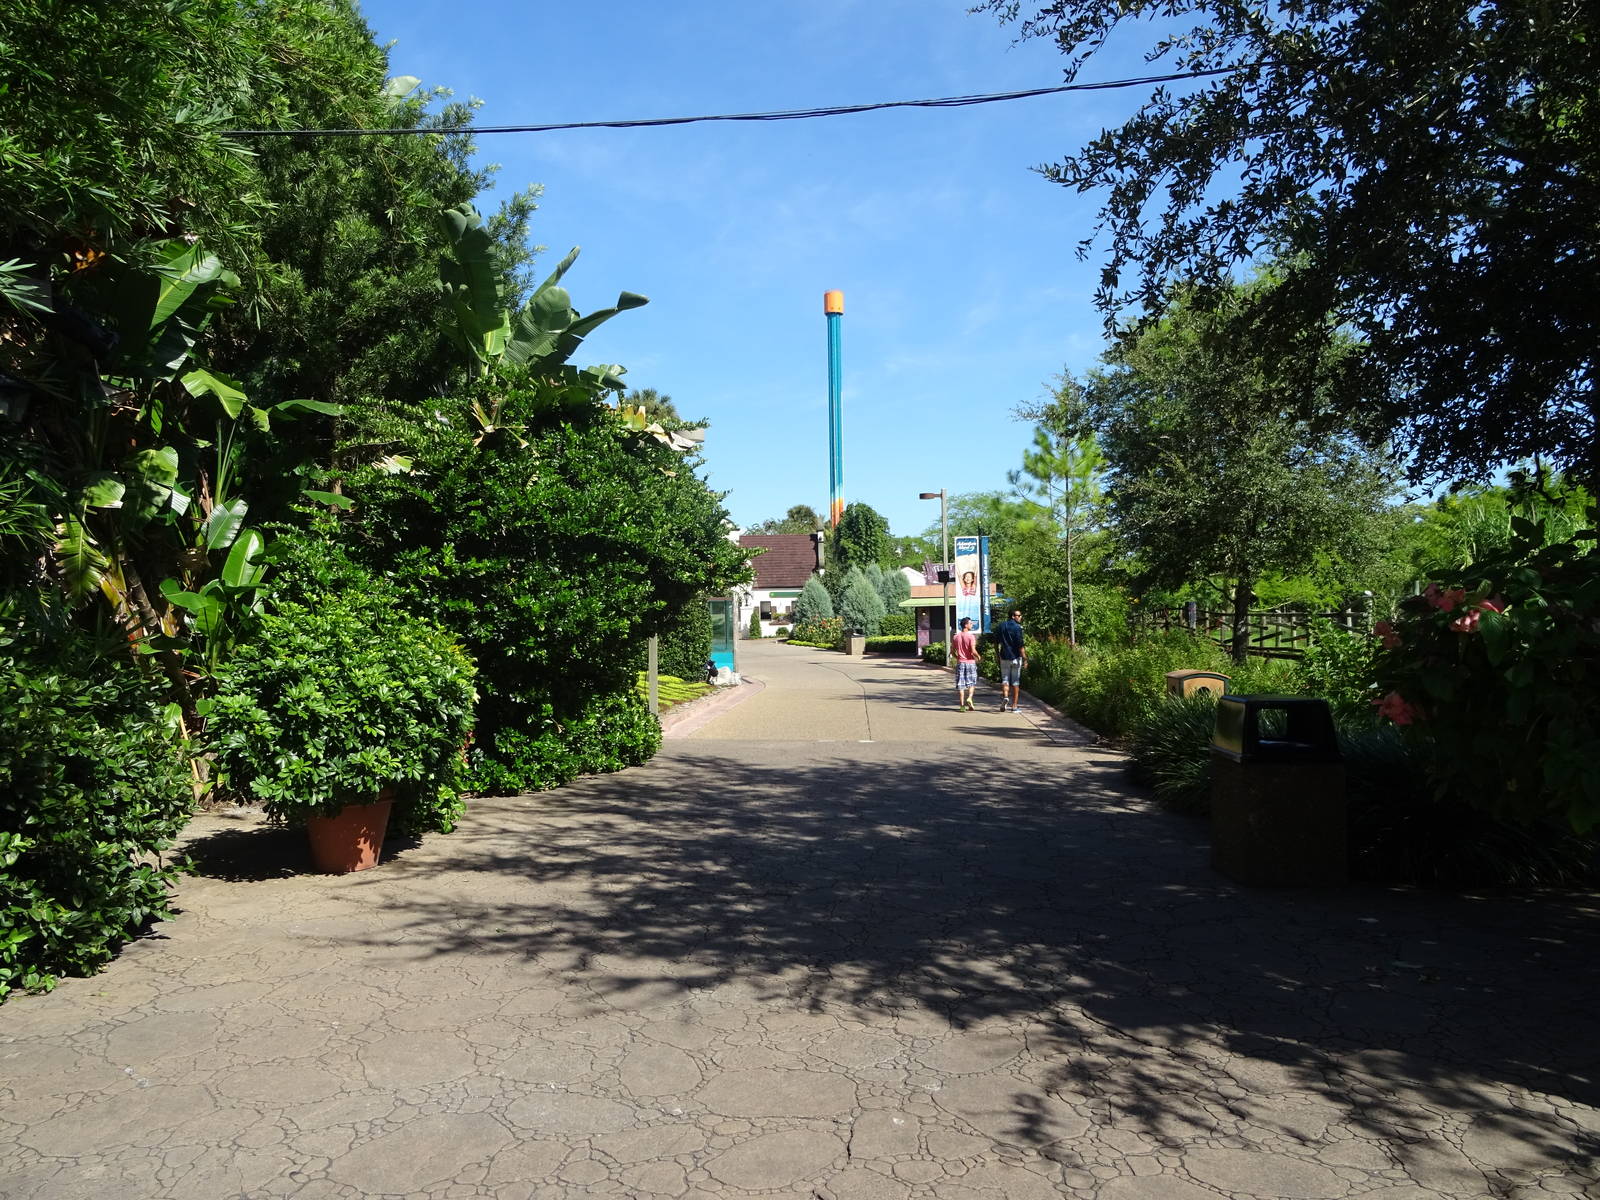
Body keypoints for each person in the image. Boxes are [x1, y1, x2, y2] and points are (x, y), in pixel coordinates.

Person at [994, 608, 1025, 712]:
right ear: (1013, 616)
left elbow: (995, 642)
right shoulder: (1018, 628)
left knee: (1005, 680)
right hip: (1015, 657)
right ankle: (1014, 706)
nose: (1020, 617)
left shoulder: (1001, 626)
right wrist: (1025, 659)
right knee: (1015, 682)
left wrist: (998, 655)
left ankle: (1006, 697)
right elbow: (1021, 645)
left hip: (1004, 656)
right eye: (1019, 615)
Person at [951, 617, 979, 711]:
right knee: (971, 683)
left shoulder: (955, 637)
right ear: (966, 625)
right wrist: (978, 656)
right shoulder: (971, 636)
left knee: (961, 684)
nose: (972, 625)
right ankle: (970, 698)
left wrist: (957, 657)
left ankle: (962, 706)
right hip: (970, 662)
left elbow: (952, 651)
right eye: (970, 623)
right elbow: (973, 651)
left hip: (961, 663)